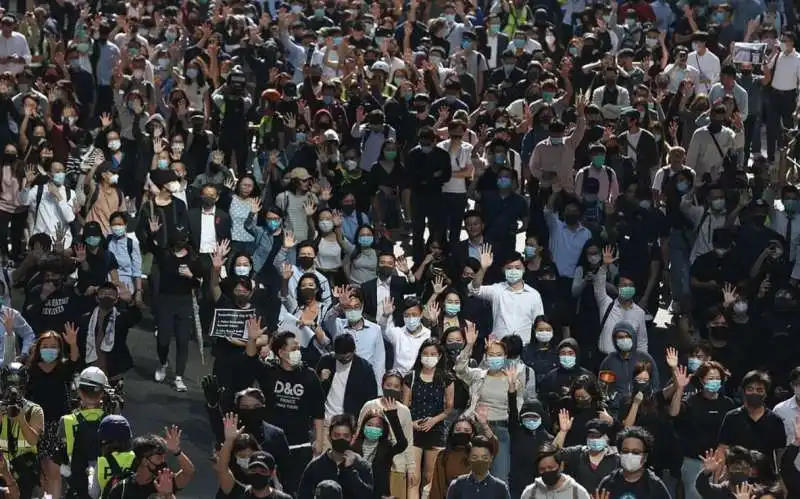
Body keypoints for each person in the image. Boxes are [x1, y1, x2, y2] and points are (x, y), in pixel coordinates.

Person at [245, 324, 326, 496]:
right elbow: (250, 358)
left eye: (299, 347)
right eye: (294, 348)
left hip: (300, 444)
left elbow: (319, 411)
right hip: (271, 445)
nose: (298, 351)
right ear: (281, 353)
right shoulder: (269, 372)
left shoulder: (309, 375)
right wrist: (252, 339)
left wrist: (319, 441)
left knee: (296, 491)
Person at [297, 414, 374, 499]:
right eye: (337, 435)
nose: (341, 439)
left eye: (346, 436)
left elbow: (367, 496)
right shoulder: (315, 466)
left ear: (352, 438)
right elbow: (303, 496)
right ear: (329, 437)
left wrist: (349, 471)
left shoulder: (362, 466)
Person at [105, 432, 195, 499]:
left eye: (164, 457)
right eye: (159, 458)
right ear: (145, 461)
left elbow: (188, 472)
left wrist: (176, 451)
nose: (163, 462)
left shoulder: (165, 482)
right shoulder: (122, 488)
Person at [596, 426, 671, 499]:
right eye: (625, 451)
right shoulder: (608, 483)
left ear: (645, 457)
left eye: (636, 452)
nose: (630, 455)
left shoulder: (654, 486)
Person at [444, 436, 510, 499]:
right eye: (475, 457)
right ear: (468, 458)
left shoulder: (500, 488)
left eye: (484, 458)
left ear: (491, 458)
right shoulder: (457, 485)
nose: (480, 461)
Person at [520, 442, 591, 499]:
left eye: (551, 467)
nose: (547, 471)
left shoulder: (578, 493)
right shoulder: (530, 493)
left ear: (561, 466)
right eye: (542, 469)